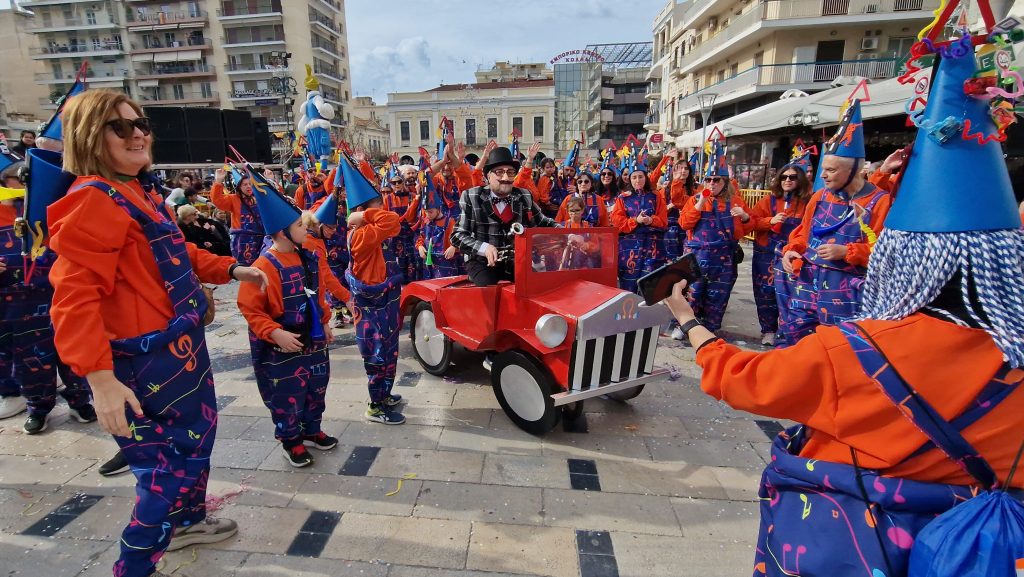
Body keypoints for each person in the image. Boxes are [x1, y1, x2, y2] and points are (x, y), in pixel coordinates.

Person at [663, 43, 1024, 577]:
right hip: (982, 552)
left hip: (862, 544)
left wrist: (687, 319)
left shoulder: (854, 352)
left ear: (900, 258)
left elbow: (741, 378)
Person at [47, 90, 268, 577]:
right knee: (165, 474)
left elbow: (175, 251)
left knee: (197, 444)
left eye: (140, 123)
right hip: (141, 366)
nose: (138, 133)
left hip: (181, 352)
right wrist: (100, 380)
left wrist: (231, 270)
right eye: (120, 127)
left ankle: (187, 522)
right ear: (89, 137)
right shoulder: (91, 200)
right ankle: (134, 566)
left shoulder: (141, 192)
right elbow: (72, 297)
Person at [237, 171, 338, 468]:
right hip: (282, 344)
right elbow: (250, 309)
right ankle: (291, 441)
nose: (306, 229)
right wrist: (274, 332)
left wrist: (326, 320)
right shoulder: (261, 267)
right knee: (287, 394)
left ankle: (312, 428)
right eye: (299, 226)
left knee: (317, 385)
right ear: (282, 233)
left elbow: (317, 293)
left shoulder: (308, 257)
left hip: (313, 339)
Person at [777, 100, 892, 346]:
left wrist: (847, 252)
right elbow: (803, 235)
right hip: (808, 282)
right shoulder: (819, 197)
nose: (823, 175)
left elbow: (888, 255)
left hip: (849, 290)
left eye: (831, 170)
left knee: (842, 348)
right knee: (794, 340)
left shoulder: (880, 202)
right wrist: (792, 251)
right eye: (823, 169)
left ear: (854, 171)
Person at [340, 154, 407, 425]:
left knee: (390, 349)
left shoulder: (372, 230)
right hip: (372, 304)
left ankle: (385, 394)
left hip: (386, 299)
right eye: (378, 204)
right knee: (377, 354)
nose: (384, 207)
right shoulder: (361, 234)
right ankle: (375, 405)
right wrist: (364, 214)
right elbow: (392, 222)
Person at [450, 146, 557, 287]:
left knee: (535, 286)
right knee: (488, 290)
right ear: (488, 176)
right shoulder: (472, 196)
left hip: (515, 260)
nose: (506, 178)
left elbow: (544, 222)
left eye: (510, 172)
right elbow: (457, 236)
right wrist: (484, 248)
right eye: (499, 172)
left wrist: (570, 233)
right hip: (481, 262)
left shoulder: (524, 195)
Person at [677, 141, 751, 334]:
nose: (711, 183)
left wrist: (744, 217)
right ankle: (685, 327)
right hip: (697, 255)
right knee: (692, 293)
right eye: (708, 179)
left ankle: (711, 329)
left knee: (718, 296)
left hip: (723, 258)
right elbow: (684, 224)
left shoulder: (736, 201)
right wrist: (698, 206)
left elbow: (744, 231)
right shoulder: (695, 200)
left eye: (716, 180)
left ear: (725, 181)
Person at [749, 151, 813, 346]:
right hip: (766, 255)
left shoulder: (808, 203)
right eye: (784, 177)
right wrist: (770, 221)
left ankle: (789, 333)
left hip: (794, 257)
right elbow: (751, 222)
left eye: (792, 177)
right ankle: (768, 330)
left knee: (793, 295)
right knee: (765, 295)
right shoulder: (768, 201)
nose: (787, 180)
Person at [610, 157, 668, 294]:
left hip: (653, 246)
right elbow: (617, 223)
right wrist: (636, 220)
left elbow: (664, 221)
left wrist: (650, 220)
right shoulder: (623, 198)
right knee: (628, 284)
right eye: (634, 177)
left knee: (650, 284)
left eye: (640, 177)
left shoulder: (656, 196)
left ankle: (648, 315)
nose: (637, 180)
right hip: (629, 247)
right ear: (629, 179)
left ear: (646, 177)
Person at [311, 190, 354, 327]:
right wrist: (347, 297)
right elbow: (326, 276)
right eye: (331, 228)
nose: (334, 232)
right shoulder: (310, 241)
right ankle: (336, 313)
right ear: (320, 225)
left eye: (335, 228)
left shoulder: (319, 237)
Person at [210, 167, 265, 266]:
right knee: (246, 268)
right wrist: (218, 181)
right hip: (243, 240)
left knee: (262, 265)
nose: (248, 187)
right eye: (245, 184)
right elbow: (217, 200)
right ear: (239, 186)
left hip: (261, 238)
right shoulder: (234, 199)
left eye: (250, 184)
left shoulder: (259, 198)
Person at [416, 188, 461, 279]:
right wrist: (420, 246)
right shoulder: (426, 221)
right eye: (425, 212)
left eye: (430, 212)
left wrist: (454, 247)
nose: (428, 215)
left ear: (438, 209)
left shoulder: (450, 222)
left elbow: (460, 238)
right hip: (428, 263)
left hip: (445, 263)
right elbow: (421, 237)